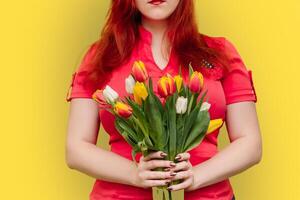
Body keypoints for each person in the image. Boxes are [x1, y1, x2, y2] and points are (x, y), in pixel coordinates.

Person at [65, 0, 262, 199]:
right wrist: (134, 174)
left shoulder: (219, 52)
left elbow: (250, 143)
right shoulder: (100, 56)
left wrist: (196, 176)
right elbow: (76, 148)